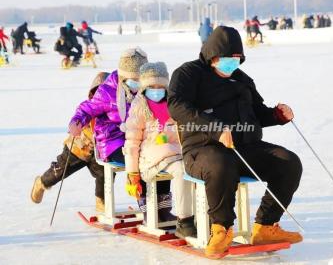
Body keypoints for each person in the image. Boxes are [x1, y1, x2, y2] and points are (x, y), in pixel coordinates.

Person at [168, 26, 303, 257]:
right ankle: (221, 229)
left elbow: (258, 114)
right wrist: (216, 129)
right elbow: (177, 106)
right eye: (228, 59)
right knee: (221, 164)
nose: (233, 64)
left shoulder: (242, 79)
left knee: (288, 162)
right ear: (213, 56)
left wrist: (277, 115)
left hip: (245, 148)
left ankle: (266, 226)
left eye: (237, 59)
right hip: (202, 150)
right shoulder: (188, 73)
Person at [68, 48, 174, 221]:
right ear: (123, 76)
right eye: (132, 79)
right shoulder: (108, 91)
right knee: (143, 160)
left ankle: (163, 208)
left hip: (141, 138)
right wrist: (77, 121)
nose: (136, 83)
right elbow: (87, 108)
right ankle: (147, 207)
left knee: (162, 155)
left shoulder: (149, 88)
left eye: (139, 79)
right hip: (113, 141)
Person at [124, 62, 196, 238]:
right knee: (181, 171)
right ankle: (184, 219)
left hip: (175, 153)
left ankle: (198, 215)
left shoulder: (173, 104)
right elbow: (132, 141)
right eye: (151, 87)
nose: (156, 90)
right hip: (150, 156)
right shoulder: (140, 106)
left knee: (194, 169)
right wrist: (132, 172)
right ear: (144, 87)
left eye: (160, 87)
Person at [30, 72, 109, 211]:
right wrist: (76, 124)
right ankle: (41, 183)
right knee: (59, 171)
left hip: (100, 152)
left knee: (105, 175)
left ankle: (101, 201)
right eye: (98, 92)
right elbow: (81, 114)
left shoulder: (114, 108)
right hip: (78, 149)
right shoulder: (89, 105)